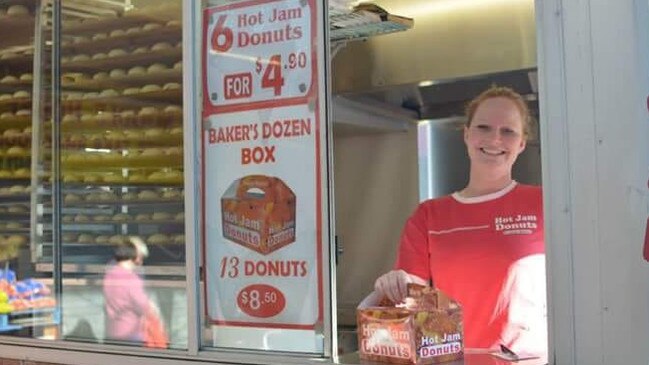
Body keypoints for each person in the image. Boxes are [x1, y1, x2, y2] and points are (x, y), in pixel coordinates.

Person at [373, 86, 547, 355]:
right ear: (467, 135)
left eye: (508, 131)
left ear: (522, 143)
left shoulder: (544, 204)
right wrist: (395, 284)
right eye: (484, 127)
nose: (495, 139)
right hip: (452, 359)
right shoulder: (428, 216)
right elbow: (413, 295)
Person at [103, 236, 160, 344]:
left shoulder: (110, 274)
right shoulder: (131, 278)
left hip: (112, 330)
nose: (141, 262)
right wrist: (152, 307)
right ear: (135, 257)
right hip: (131, 331)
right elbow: (142, 304)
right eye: (141, 257)